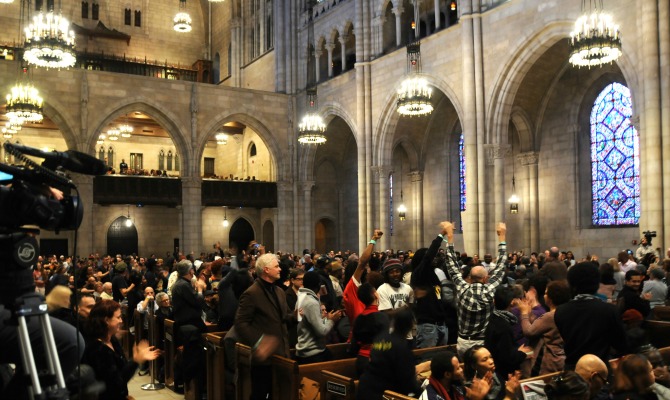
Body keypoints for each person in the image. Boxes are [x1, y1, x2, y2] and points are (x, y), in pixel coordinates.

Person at [444, 221, 507, 356]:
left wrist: (450, 236)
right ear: (485, 279)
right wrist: (502, 237)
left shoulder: (462, 288)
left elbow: (452, 266)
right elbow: (501, 266)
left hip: (463, 342)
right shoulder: (489, 289)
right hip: (482, 343)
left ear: (470, 278)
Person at [234, 253, 292, 400]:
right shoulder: (251, 293)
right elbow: (240, 323)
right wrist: (259, 342)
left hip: (282, 353)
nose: (280, 269)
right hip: (264, 358)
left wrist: (297, 316)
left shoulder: (279, 291)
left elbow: (282, 318)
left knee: (279, 394)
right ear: (266, 270)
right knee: (260, 395)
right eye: (276, 266)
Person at [555, 261, 628, 369]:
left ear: (571, 284)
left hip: (573, 371)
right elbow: (621, 344)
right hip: (600, 371)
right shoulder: (609, 310)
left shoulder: (561, 311)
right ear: (597, 283)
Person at [82, 299, 160, 400]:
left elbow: (122, 371)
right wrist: (136, 361)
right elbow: (115, 384)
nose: (121, 321)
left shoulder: (112, 340)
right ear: (106, 320)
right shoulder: (97, 349)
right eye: (118, 317)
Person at [357, 308, 422, 399]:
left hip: (366, 387)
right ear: (410, 325)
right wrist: (420, 391)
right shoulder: (401, 346)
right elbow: (406, 379)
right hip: (384, 394)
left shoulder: (380, 338)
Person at [410, 222, 451, 348]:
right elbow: (428, 258)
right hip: (428, 326)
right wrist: (442, 234)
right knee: (427, 359)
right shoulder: (419, 274)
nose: (434, 259)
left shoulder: (434, 275)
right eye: (432, 257)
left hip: (441, 324)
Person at [518, 280, 571, 376]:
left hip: (549, 361)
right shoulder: (567, 312)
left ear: (551, 298)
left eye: (546, 293)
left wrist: (524, 313)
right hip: (561, 358)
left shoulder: (551, 316)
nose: (544, 296)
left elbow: (529, 332)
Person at [484, 286, 531, 381]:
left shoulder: (494, 316)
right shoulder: (504, 326)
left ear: (494, 301)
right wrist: (522, 353)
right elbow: (507, 357)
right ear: (512, 302)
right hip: (503, 374)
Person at [295, 271, 342, 364]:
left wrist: (324, 319)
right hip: (312, 353)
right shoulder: (311, 302)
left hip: (304, 350)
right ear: (319, 285)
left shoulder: (301, 297)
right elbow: (321, 331)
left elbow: (310, 324)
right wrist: (331, 320)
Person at [419, 350, 491, 400]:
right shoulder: (430, 397)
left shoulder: (454, 385)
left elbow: (469, 395)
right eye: (458, 368)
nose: (461, 370)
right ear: (447, 374)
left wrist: (473, 396)